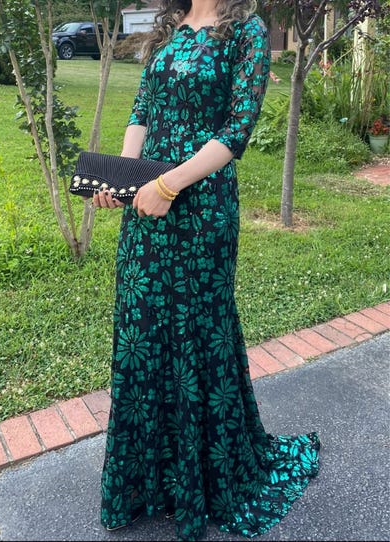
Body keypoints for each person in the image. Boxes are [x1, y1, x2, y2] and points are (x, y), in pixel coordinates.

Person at [92, 0, 320, 540]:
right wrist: (124, 178)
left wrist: (169, 184)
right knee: (144, 332)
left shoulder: (247, 31)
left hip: (201, 208)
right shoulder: (168, 27)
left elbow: (236, 130)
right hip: (147, 205)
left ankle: (205, 479)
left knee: (197, 330)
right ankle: (149, 480)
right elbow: (142, 110)